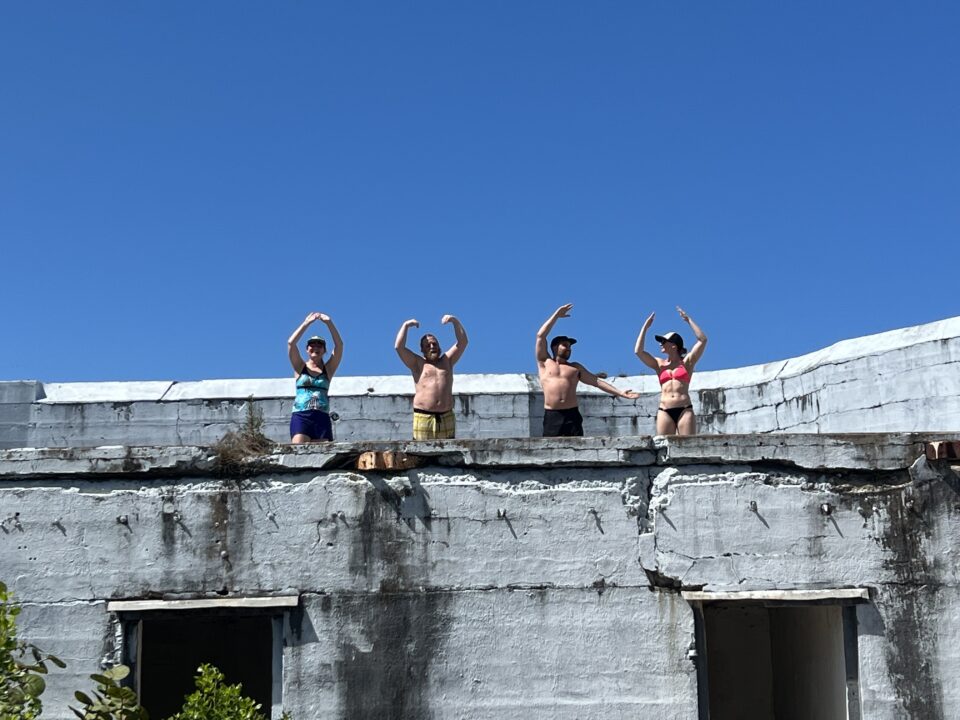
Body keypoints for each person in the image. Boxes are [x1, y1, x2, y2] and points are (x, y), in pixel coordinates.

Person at [536, 303, 640, 437]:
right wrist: (556, 315)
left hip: (571, 415)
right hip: (552, 415)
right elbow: (540, 336)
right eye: (565, 345)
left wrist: (620, 392)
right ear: (555, 347)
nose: (569, 348)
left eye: (570, 346)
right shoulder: (545, 362)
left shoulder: (575, 367)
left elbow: (596, 381)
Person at [634, 306, 707, 436]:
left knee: (687, 447)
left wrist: (688, 320)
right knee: (663, 447)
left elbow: (703, 340)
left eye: (664, 341)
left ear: (674, 345)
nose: (660, 343)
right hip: (665, 409)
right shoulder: (659, 364)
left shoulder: (687, 362)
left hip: (684, 409)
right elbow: (638, 352)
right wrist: (645, 327)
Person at [395, 315, 469, 440]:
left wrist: (454, 321)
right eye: (428, 345)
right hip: (423, 416)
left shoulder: (447, 361)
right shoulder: (417, 363)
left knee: (447, 456)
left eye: (434, 344)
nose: (432, 346)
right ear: (422, 350)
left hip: (446, 416)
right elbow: (399, 347)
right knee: (421, 456)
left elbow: (463, 342)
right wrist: (406, 326)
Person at [287, 312, 344, 443]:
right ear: (307, 349)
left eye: (320, 345)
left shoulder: (328, 369)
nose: (315, 347)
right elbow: (291, 343)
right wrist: (306, 323)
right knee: (298, 451)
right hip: (302, 415)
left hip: (321, 417)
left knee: (322, 455)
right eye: (312, 345)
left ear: (324, 350)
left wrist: (329, 322)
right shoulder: (300, 367)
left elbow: (339, 346)